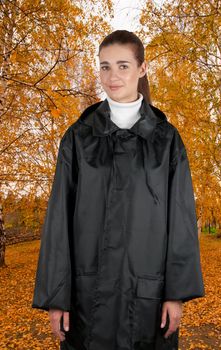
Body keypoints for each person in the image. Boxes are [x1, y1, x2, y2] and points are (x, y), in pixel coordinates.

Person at [32, 30, 205, 350]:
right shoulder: (78, 138)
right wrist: (57, 297)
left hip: (148, 298)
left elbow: (181, 221)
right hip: (89, 298)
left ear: (142, 69)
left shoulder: (166, 140)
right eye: (105, 66)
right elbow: (58, 219)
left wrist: (175, 295)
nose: (113, 76)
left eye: (123, 66)